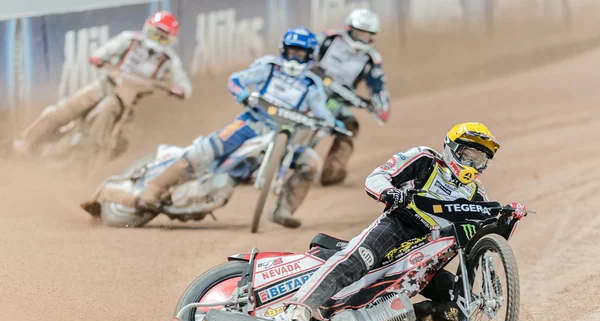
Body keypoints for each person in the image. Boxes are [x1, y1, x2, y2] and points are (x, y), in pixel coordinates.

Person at [280, 122, 528, 321]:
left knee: (459, 303)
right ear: (452, 148)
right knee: (354, 261)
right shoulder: (424, 159)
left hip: (428, 253)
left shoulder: (477, 196)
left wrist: (508, 220)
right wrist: (390, 192)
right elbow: (377, 176)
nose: (473, 164)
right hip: (397, 226)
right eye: (469, 154)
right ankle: (297, 311)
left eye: (480, 158)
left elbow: (487, 241)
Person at [137, 27, 344, 228]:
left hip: (285, 138)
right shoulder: (268, 67)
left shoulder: (311, 85)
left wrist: (333, 124)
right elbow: (236, 80)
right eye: (292, 52)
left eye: (301, 54)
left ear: (310, 56)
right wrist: (243, 94)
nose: (295, 58)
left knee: (312, 162)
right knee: (203, 152)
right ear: (284, 50)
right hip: (249, 124)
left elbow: (322, 112)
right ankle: (154, 187)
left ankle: (284, 210)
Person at [13, 10, 192, 154]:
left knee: (106, 133)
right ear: (147, 29)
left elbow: (185, 86)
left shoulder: (169, 60)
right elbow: (100, 53)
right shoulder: (130, 40)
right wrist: (102, 61)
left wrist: (176, 89)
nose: (156, 41)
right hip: (104, 85)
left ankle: (88, 159)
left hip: (128, 102)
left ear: (170, 40)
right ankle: (25, 143)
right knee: (63, 110)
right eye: (154, 34)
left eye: (162, 37)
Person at [312, 8, 391, 186]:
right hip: (307, 89)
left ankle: (333, 170)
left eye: (367, 35)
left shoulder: (372, 59)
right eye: (359, 33)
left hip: (335, 100)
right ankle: (251, 159)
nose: (362, 38)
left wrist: (382, 108)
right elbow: (302, 51)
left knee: (350, 124)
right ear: (349, 29)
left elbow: (378, 86)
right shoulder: (328, 38)